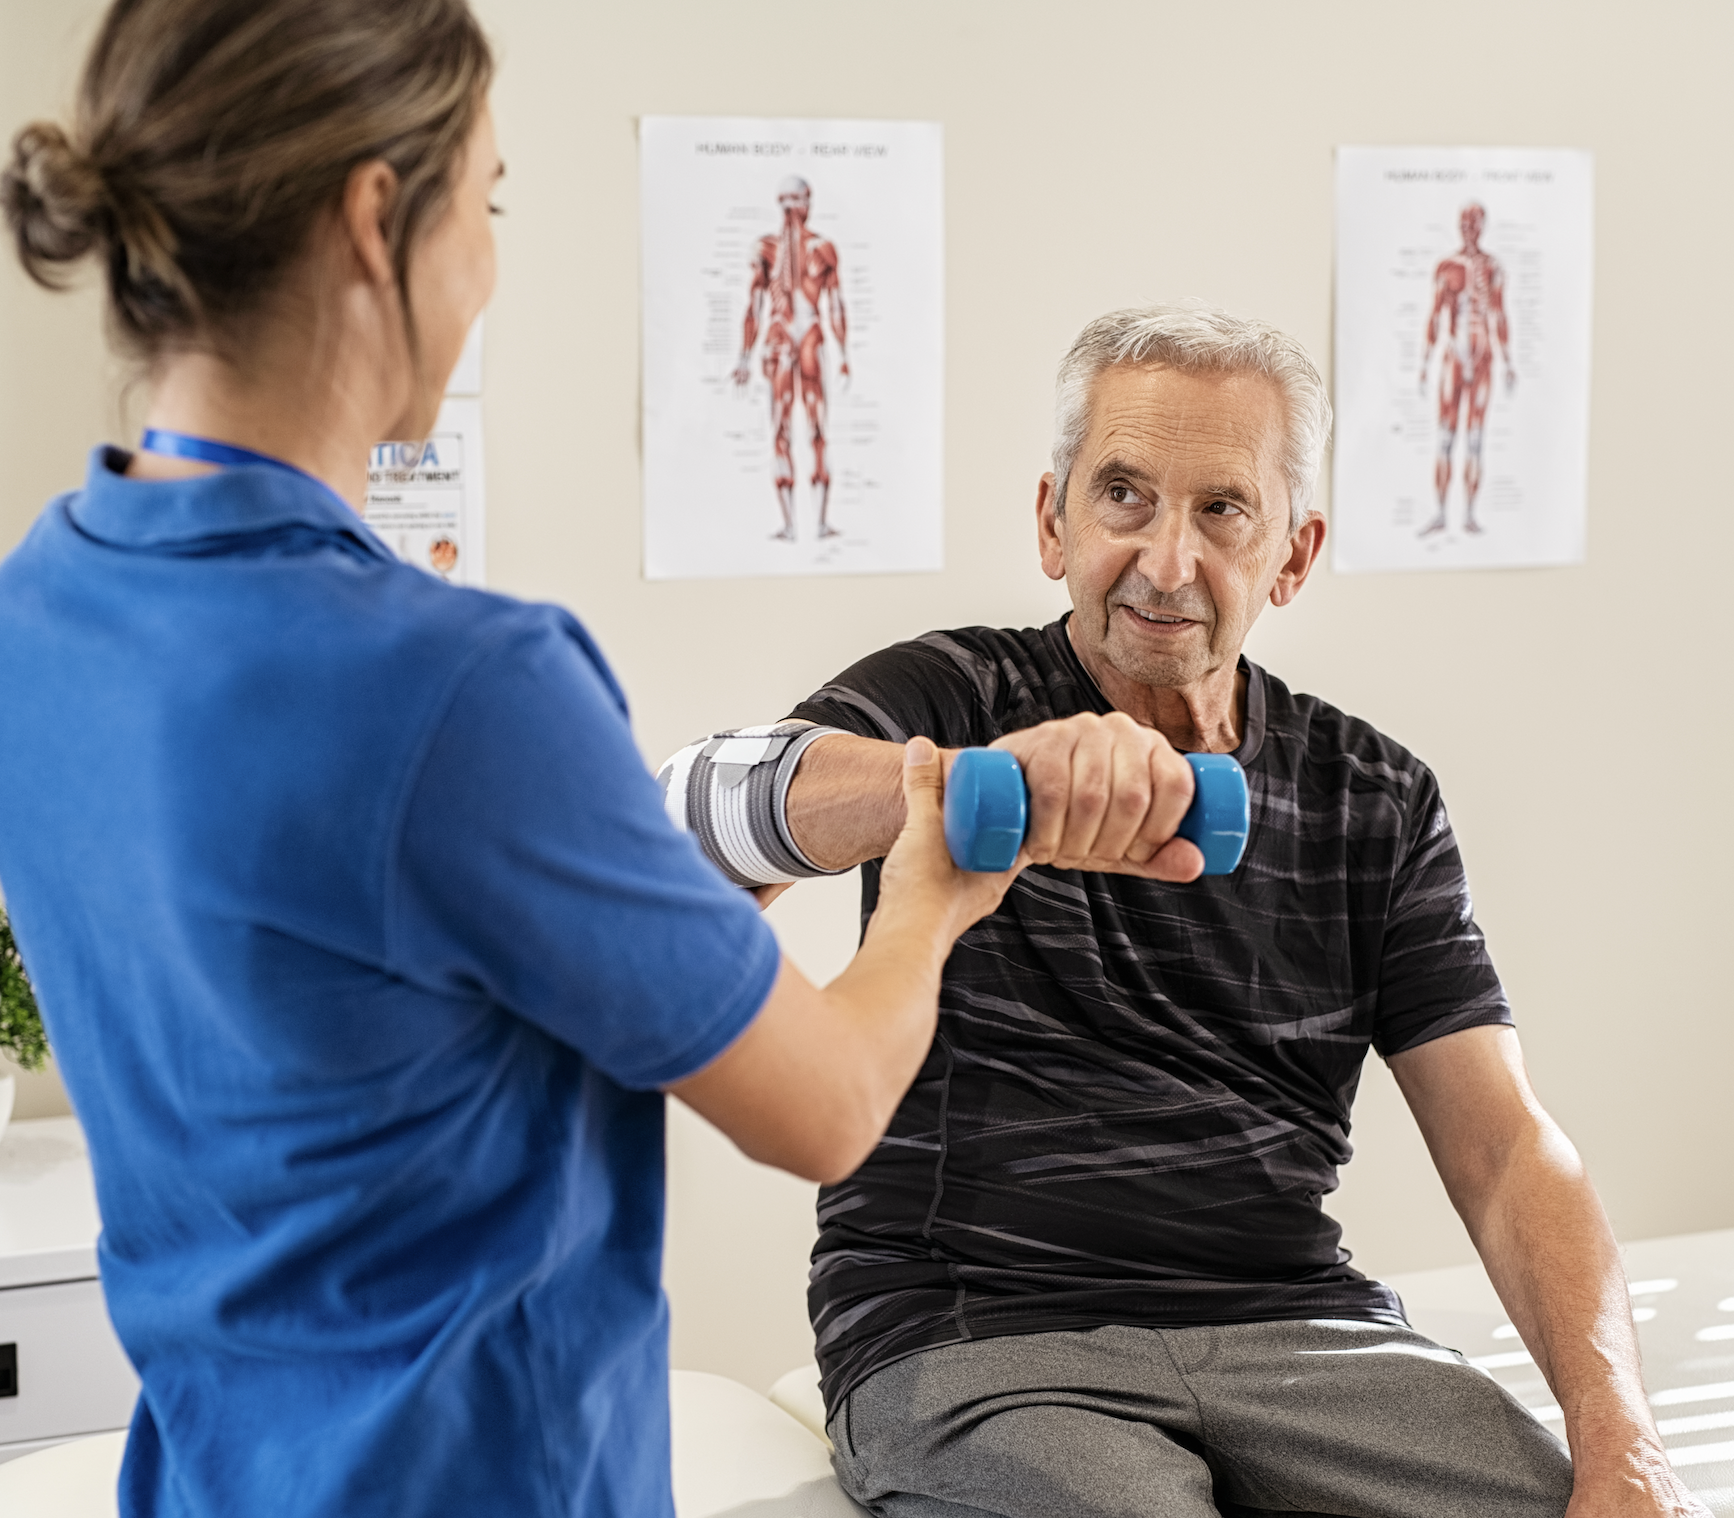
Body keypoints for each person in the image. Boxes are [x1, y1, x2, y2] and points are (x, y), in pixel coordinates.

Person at [0, 3, 1019, 1515]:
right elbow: (828, 1106)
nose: (486, 264)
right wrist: (932, 892)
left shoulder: (36, 610)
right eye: (485, 203)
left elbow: (348, 991)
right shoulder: (462, 681)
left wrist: (669, 896)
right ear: (374, 220)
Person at [664, 306, 1707, 1518]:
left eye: (1222, 511)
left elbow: (1505, 1146)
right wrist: (964, 783)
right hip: (979, 1329)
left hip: (1296, 1327)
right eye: (1123, 496)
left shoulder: (1375, 796)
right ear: (1052, 521)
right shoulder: (952, 698)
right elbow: (684, 817)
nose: (1167, 561)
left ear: (1293, 557)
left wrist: (1624, 1441)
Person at [731, 174, 849, 542]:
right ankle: (789, 524)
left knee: (817, 428)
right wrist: (744, 356)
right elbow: (753, 305)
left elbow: (836, 304)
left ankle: (820, 522)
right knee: (780, 428)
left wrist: (844, 353)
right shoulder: (765, 249)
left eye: (797, 200)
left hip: (811, 338)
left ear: (808, 202)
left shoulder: (823, 248)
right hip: (779, 341)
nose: (791, 209)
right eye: (786, 201)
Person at [1419, 201, 1515, 537]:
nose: (1469, 230)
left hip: (1484, 360)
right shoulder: (1447, 266)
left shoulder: (1493, 268)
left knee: (1475, 440)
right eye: (1464, 224)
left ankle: (1470, 514)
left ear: (1482, 227)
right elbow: (1435, 316)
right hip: (1454, 360)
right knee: (1446, 438)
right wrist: (1425, 362)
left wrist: (1508, 361)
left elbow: (1499, 315)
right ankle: (1441, 513)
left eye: (1474, 224)